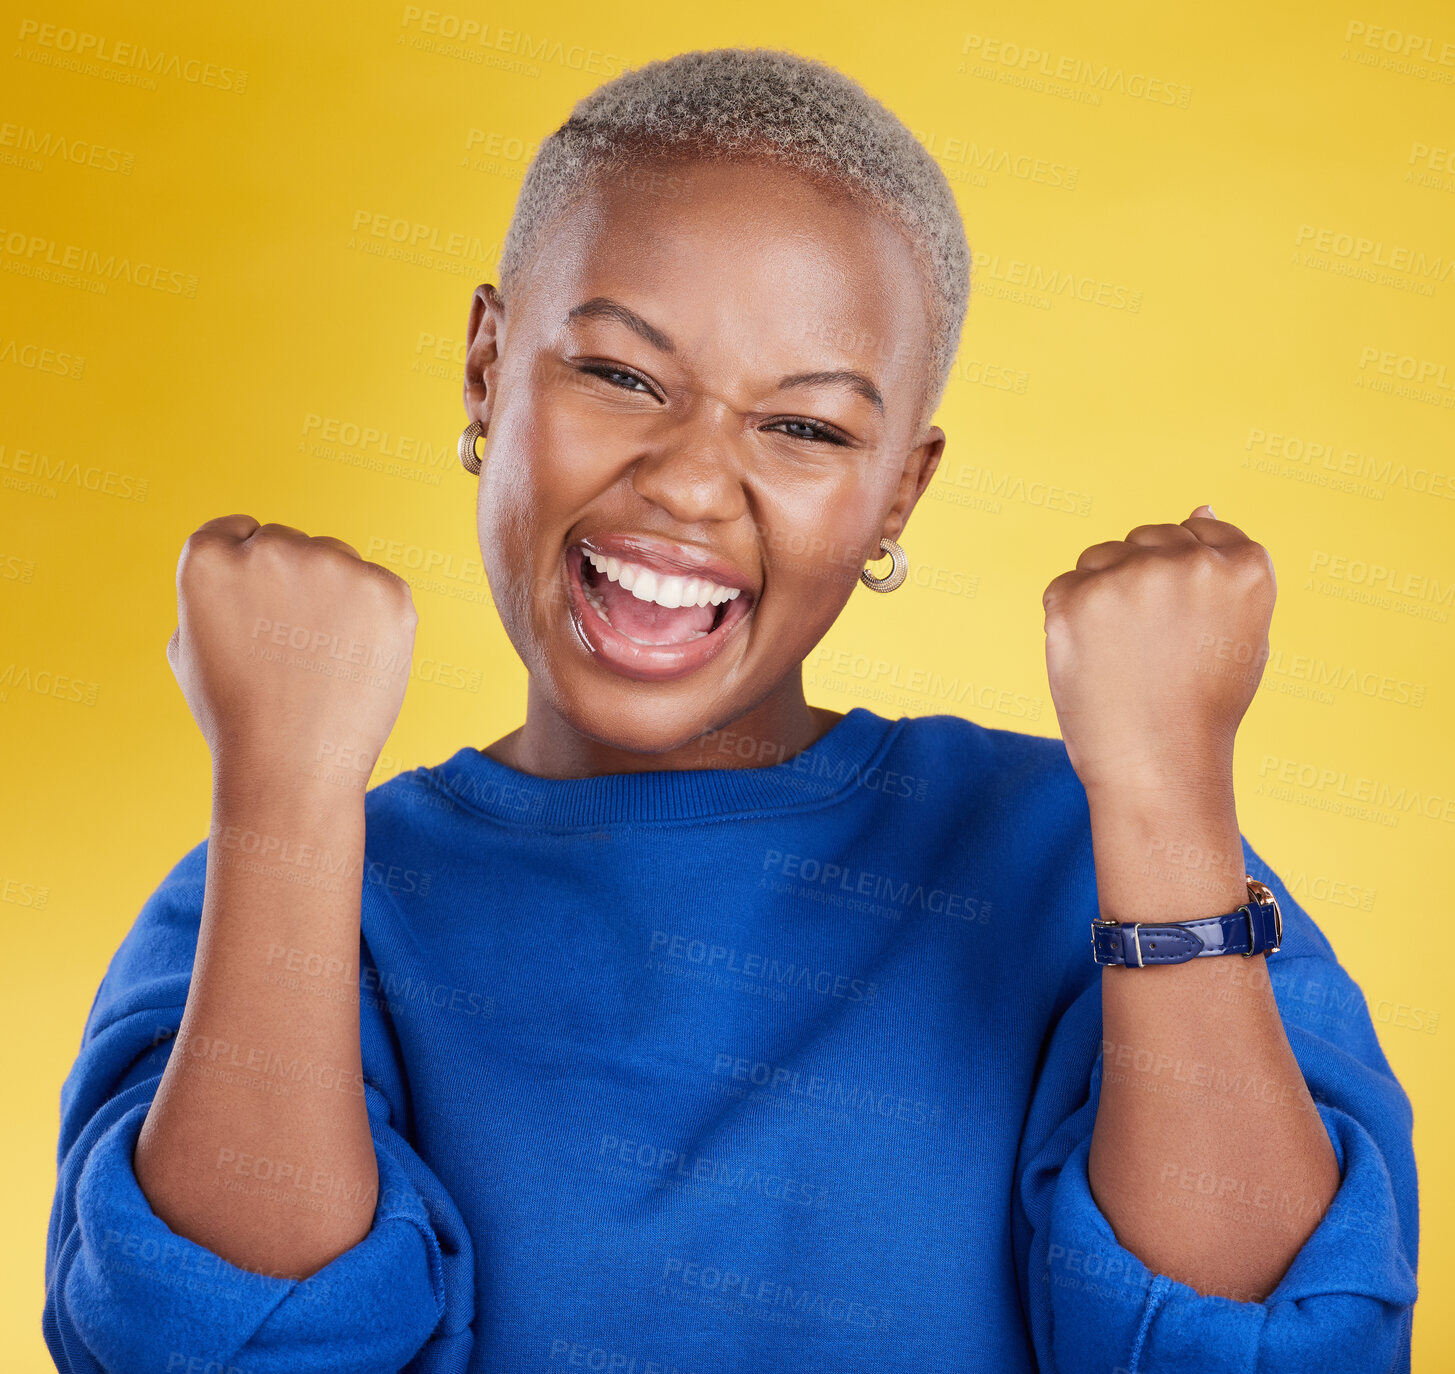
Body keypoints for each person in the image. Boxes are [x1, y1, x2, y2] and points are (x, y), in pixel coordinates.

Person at [44, 47, 1417, 1374]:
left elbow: (1281, 1341)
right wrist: (283, 795)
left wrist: (1172, 793)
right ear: (484, 366)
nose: (693, 484)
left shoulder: (1090, 853)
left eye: (807, 429)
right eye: (621, 376)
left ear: (899, 492)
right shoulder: (278, 894)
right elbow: (207, 1345)